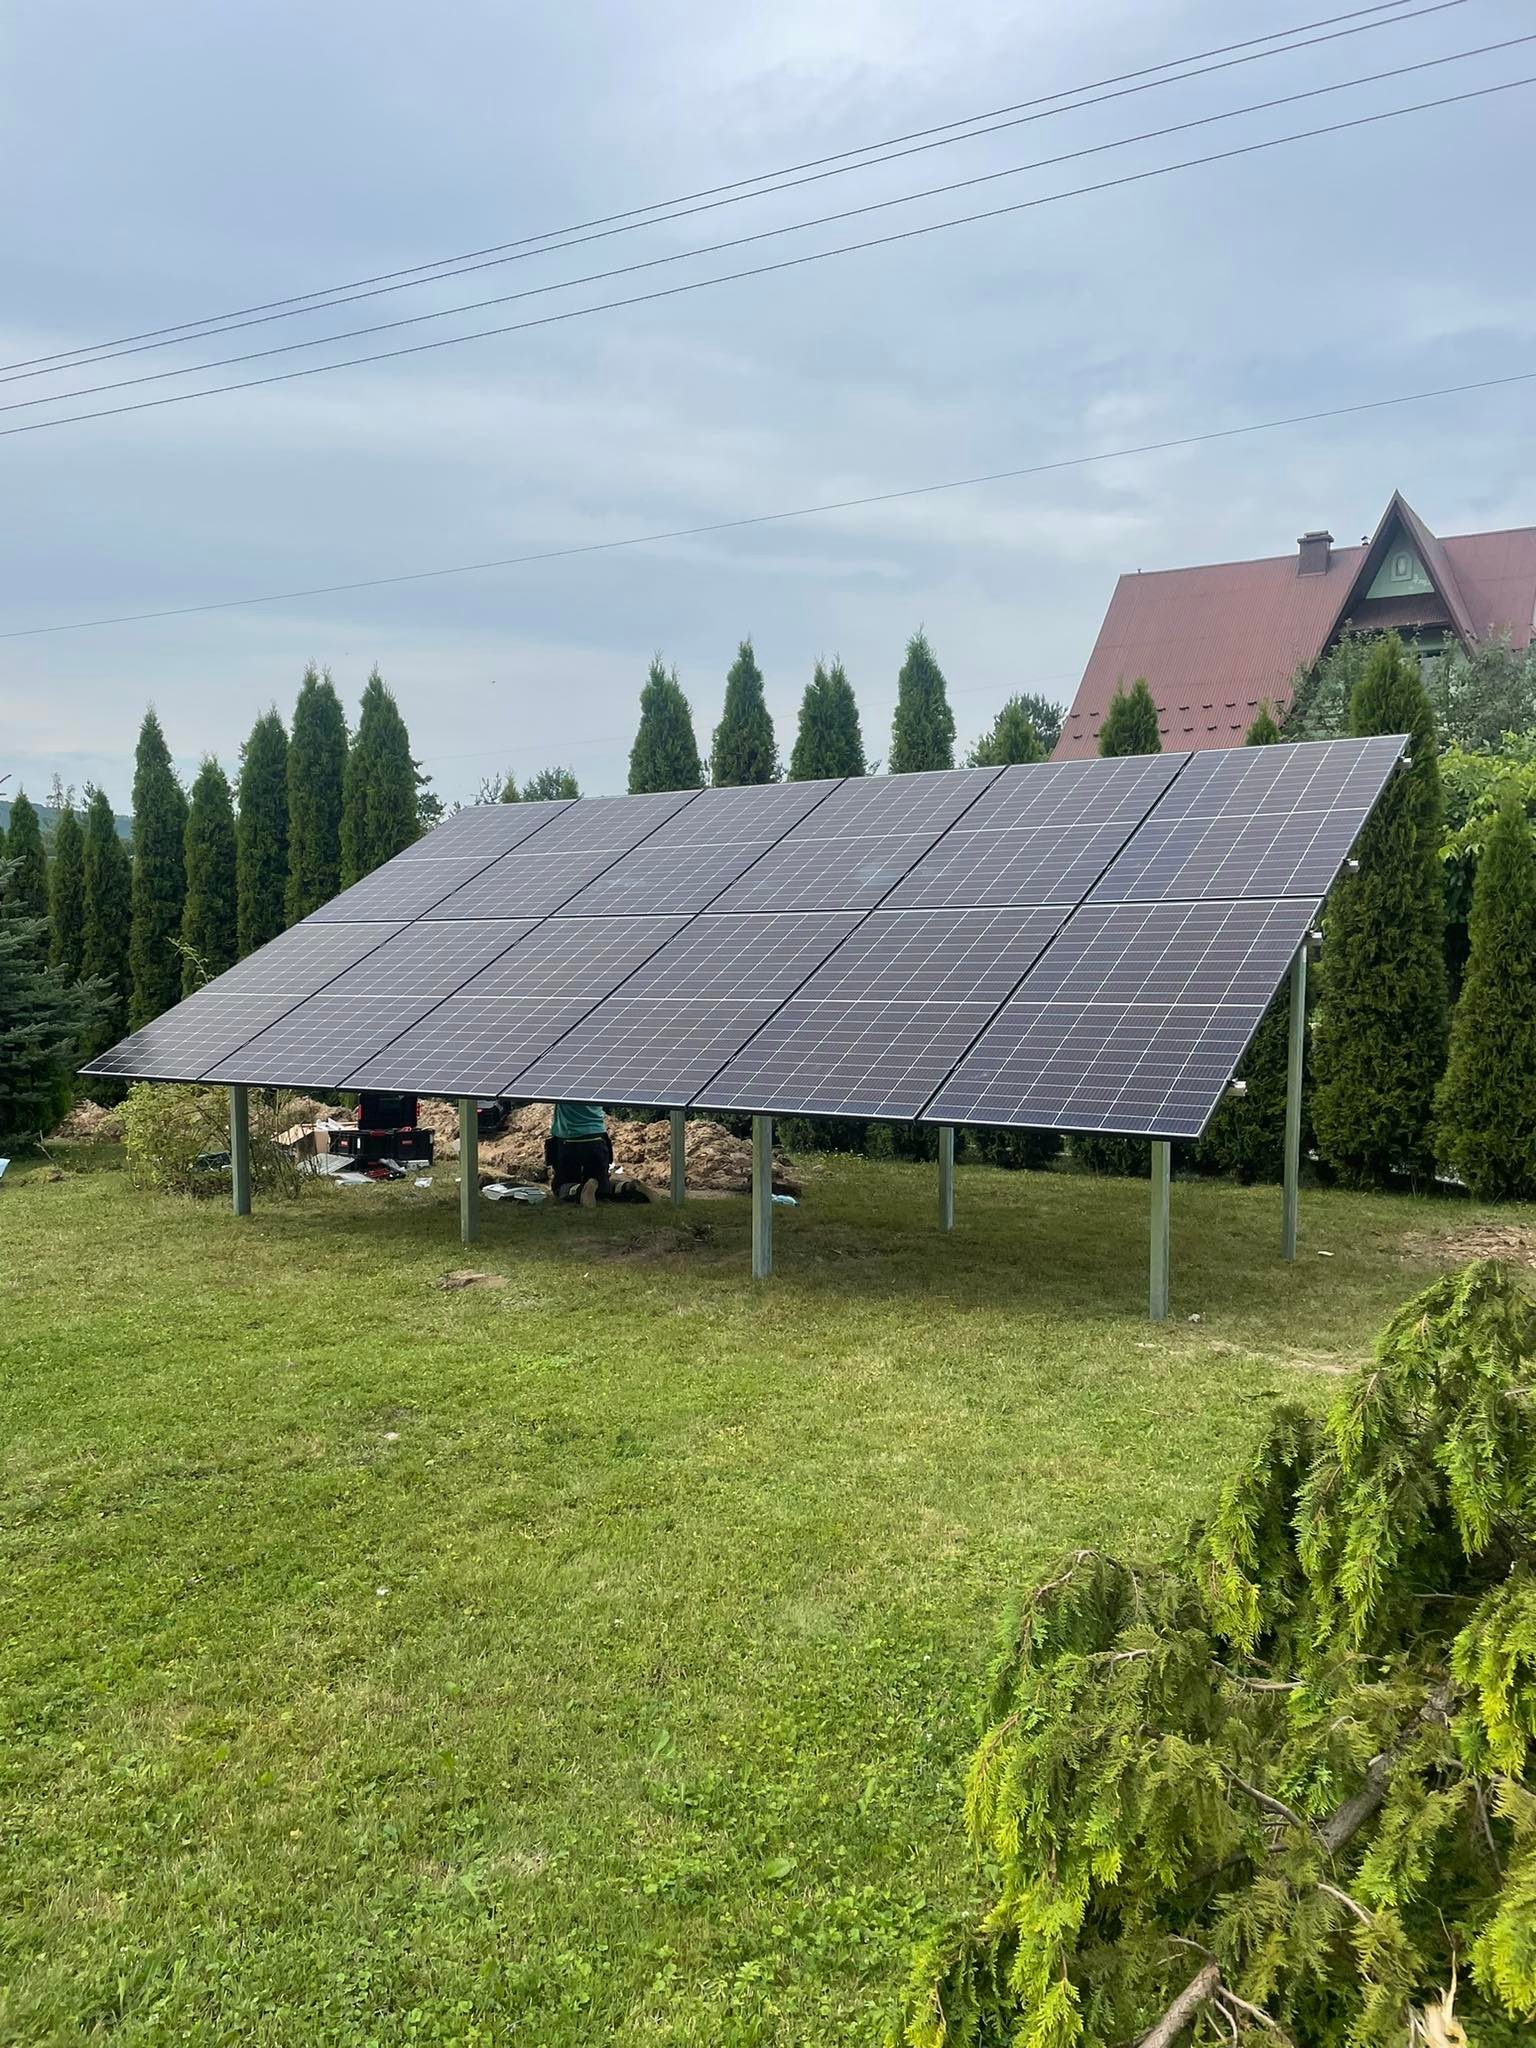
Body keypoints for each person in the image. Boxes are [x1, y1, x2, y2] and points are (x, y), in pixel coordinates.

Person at [547, 1102, 650, 1205]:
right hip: (598, 1139)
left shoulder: (566, 1087)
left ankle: (581, 1190)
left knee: (561, 1187)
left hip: (569, 1140)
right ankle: (630, 1188)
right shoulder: (597, 1086)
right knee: (602, 1188)